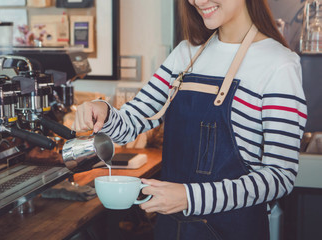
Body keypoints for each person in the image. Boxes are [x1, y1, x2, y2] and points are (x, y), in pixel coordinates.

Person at [72, 0, 307, 239]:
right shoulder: (186, 54)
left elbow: (280, 177)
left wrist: (189, 198)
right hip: (172, 229)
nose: (197, 1)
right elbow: (132, 123)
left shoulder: (278, 64)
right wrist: (102, 110)